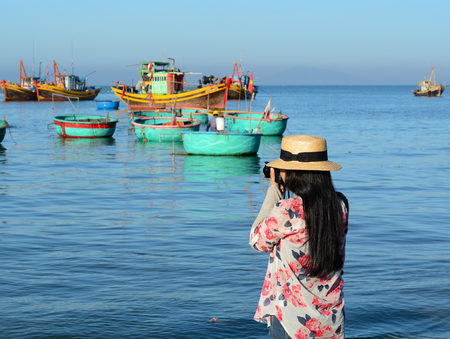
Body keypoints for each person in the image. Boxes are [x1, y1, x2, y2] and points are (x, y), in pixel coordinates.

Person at [250, 135, 349, 339]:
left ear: (295, 173)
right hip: (330, 319)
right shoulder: (340, 206)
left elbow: (256, 241)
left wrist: (274, 191)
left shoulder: (287, 211)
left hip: (292, 322)